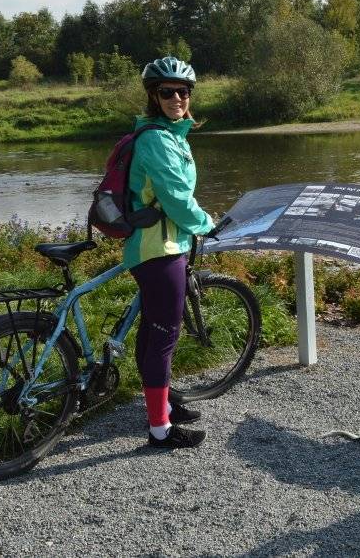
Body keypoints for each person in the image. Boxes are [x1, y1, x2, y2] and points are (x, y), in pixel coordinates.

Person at [125, 56, 217, 449]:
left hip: (161, 243)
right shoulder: (157, 139)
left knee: (151, 332)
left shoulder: (171, 134)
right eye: (167, 92)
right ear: (153, 96)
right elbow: (177, 199)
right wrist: (207, 223)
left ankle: (161, 402)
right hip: (158, 248)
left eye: (182, 91)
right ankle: (159, 429)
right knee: (164, 336)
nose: (177, 98)